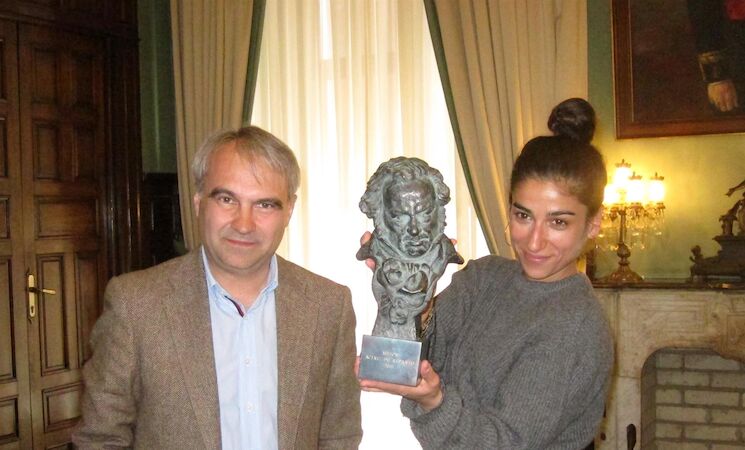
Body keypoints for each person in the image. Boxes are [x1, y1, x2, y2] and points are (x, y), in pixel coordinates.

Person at [73, 126, 362, 449]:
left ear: (289, 210)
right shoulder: (135, 305)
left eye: (265, 205)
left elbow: (339, 436)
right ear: (198, 202)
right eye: (227, 199)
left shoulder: (329, 306)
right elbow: (100, 439)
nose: (243, 224)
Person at [357, 98, 614, 449]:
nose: (534, 241)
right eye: (523, 216)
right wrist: (408, 299)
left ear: (593, 223)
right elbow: (425, 355)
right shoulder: (484, 277)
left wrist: (433, 403)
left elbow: (503, 443)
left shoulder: (575, 327)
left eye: (558, 222)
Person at [356, 157, 462, 341]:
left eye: (424, 213)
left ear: (439, 210)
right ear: (380, 214)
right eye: (399, 216)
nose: (414, 229)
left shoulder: (443, 253)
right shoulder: (374, 249)